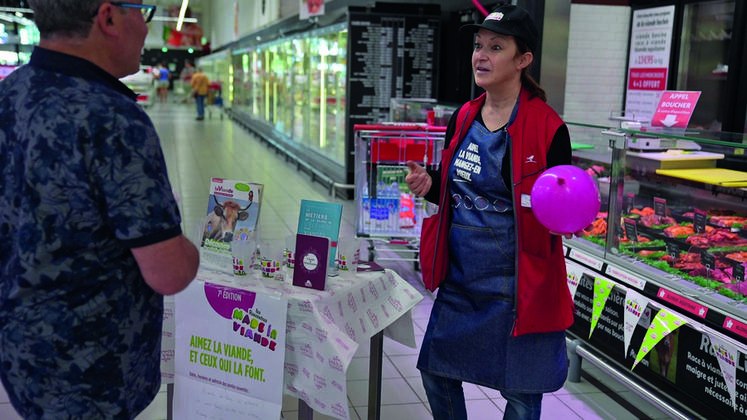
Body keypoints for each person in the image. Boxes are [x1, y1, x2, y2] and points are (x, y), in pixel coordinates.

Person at [0, 1, 200, 418]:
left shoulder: (10, 93)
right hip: (94, 374)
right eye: (140, 11)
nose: (145, 29)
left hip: (21, 353)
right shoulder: (112, 118)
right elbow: (169, 272)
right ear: (108, 17)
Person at [405, 5, 581, 419]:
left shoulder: (549, 127)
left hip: (519, 287)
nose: (481, 55)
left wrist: (570, 216)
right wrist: (430, 184)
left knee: (522, 395)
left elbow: (560, 206)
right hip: (462, 281)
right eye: (478, 45)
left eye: (496, 47)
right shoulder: (463, 117)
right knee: (436, 371)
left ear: (523, 60)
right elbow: (452, 187)